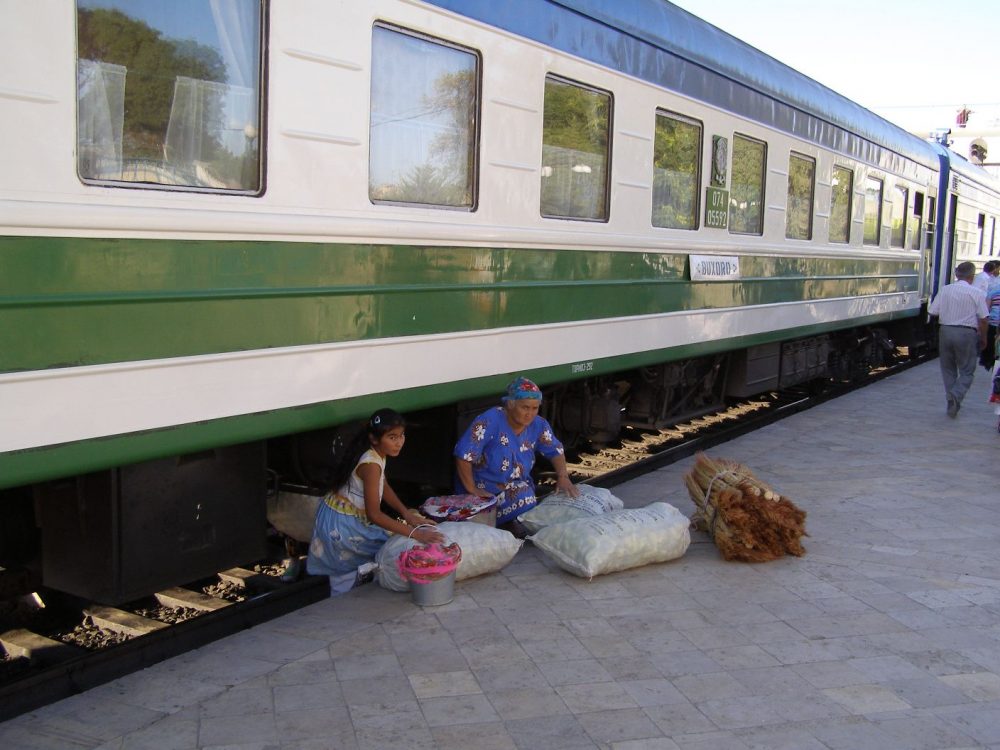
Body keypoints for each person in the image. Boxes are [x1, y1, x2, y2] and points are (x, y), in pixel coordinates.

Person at [307, 408, 442, 595]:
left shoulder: (375, 455)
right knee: (346, 576)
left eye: (402, 436)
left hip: (340, 516)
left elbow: (382, 485)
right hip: (342, 524)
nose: (399, 443)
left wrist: (407, 514)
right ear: (374, 439)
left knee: (351, 567)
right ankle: (340, 610)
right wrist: (416, 534)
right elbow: (374, 515)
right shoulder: (370, 465)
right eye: (392, 437)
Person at [454, 376, 579, 538]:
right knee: (525, 499)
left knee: (528, 496)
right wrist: (471, 488)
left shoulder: (539, 425)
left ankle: (507, 521)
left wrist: (563, 476)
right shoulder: (490, 420)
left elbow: (555, 450)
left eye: (535, 408)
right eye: (525, 407)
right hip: (482, 490)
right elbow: (463, 454)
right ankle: (504, 523)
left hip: (514, 487)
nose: (530, 414)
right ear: (510, 405)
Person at [928, 262, 989, 418]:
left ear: (956, 275)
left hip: (946, 331)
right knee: (967, 370)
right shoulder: (977, 293)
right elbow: (983, 318)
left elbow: (933, 311)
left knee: (948, 368)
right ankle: (956, 394)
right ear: (972, 276)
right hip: (966, 333)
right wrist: (983, 337)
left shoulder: (945, 289)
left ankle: (951, 401)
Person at [980, 264, 1000, 371]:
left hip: (993, 322)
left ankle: (989, 362)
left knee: (991, 342)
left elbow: (986, 309)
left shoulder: (993, 290)